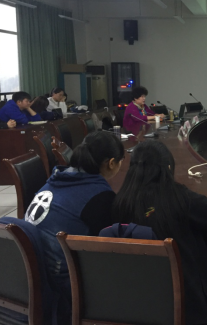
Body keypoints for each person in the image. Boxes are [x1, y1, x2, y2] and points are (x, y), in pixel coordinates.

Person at [111, 141, 207, 325]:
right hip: (189, 300)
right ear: (168, 168)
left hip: (140, 296)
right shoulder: (178, 198)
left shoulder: (120, 202)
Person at [24, 131, 124, 322]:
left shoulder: (56, 178)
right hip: (62, 286)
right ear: (111, 163)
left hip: (29, 273)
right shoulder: (100, 197)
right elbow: (110, 250)